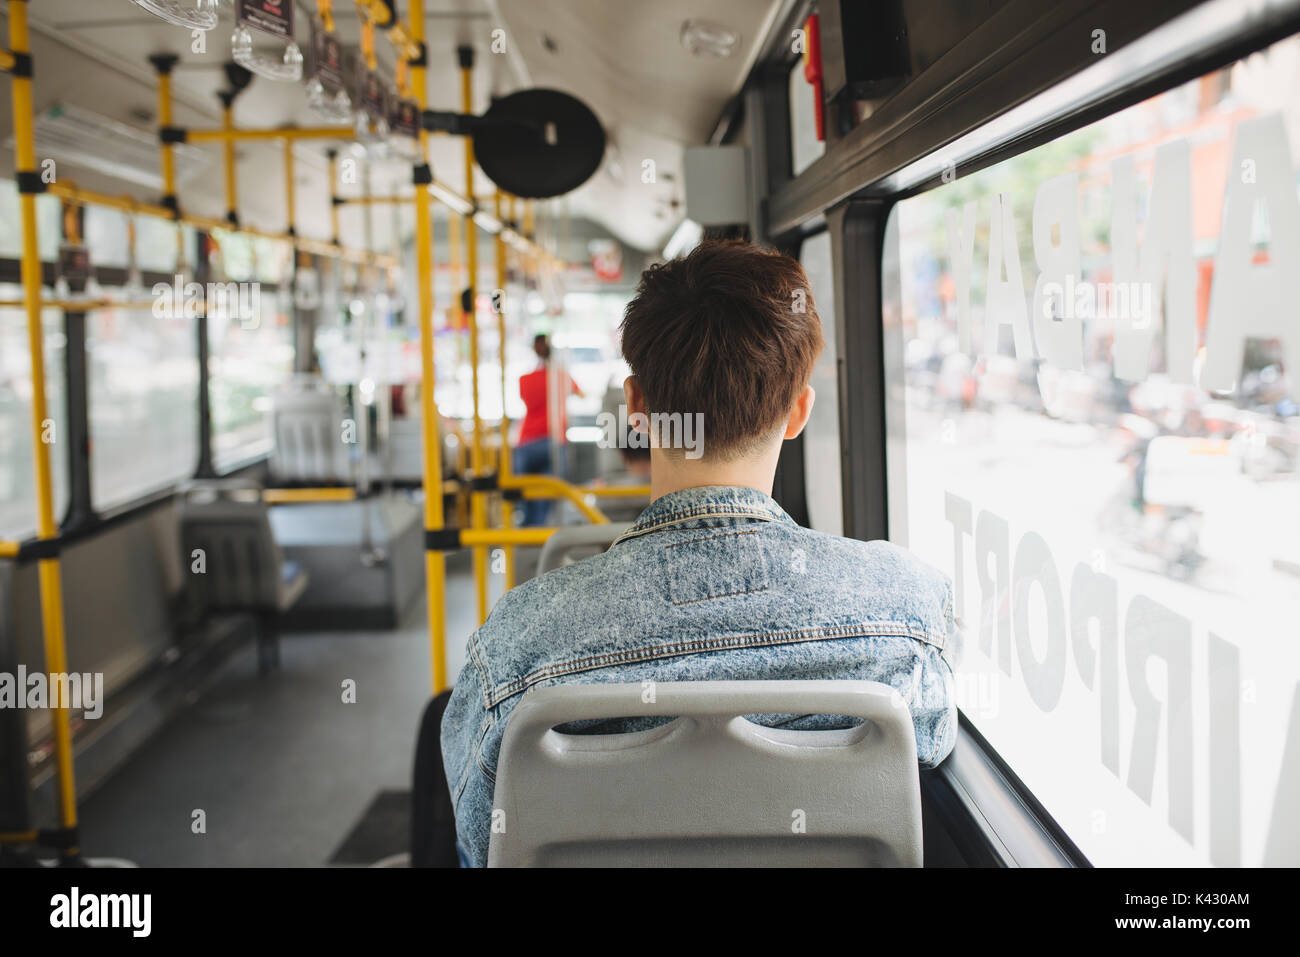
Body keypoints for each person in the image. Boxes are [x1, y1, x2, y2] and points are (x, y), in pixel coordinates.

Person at [438, 239, 959, 867]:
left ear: (636, 408)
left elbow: (479, 847)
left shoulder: (516, 648)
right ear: (798, 412)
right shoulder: (909, 613)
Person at [513, 333, 581, 526]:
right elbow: (579, 393)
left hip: (527, 443)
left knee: (525, 494)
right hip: (554, 441)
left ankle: (528, 530)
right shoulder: (561, 377)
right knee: (549, 496)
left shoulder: (525, 380)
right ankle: (543, 530)